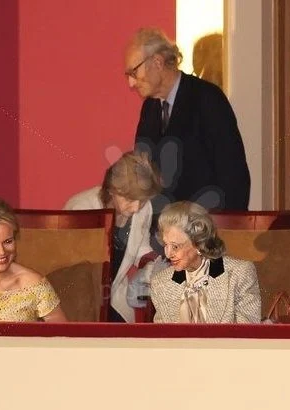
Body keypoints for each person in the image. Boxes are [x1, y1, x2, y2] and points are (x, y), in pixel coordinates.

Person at [124, 27, 251, 211]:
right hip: (164, 230)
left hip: (205, 227)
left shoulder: (207, 98)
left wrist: (227, 230)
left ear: (158, 62)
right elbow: (144, 173)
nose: (132, 83)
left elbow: (233, 174)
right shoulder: (150, 109)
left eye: (134, 72)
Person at [64, 151, 163, 322]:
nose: (136, 208)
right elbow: (71, 266)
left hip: (113, 295)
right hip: (78, 297)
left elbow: (140, 247)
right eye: (130, 199)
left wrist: (151, 266)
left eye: (143, 200)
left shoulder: (144, 208)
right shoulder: (81, 208)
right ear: (112, 190)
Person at [150, 201, 261, 323]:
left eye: (175, 247)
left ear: (198, 244)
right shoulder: (160, 283)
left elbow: (247, 336)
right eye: (166, 245)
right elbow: (162, 339)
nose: (168, 254)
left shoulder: (238, 275)